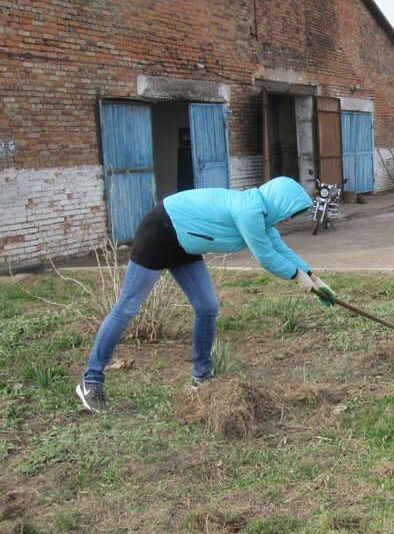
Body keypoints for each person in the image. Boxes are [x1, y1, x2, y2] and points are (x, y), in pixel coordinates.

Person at [75, 176, 336, 413]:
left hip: (184, 245)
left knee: (207, 307)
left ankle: (201, 377)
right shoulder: (249, 212)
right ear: (278, 202)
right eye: (289, 213)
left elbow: (282, 250)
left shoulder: (263, 219)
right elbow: (266, 257)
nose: (288, 220)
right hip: (160, 231)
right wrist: (297, 277)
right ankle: (91, 381)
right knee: (128, 307)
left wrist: (315, 280)